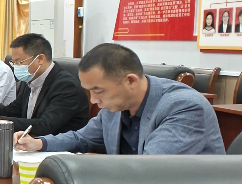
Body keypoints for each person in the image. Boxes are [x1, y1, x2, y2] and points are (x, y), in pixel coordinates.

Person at [14, 43, 224, 155]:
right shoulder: (116, 106)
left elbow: (151, 170)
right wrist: (39, 143)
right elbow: (82, 138)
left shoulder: (184, 107)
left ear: (130, 81)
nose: (94, 100)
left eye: (99, 91)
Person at [0, 33, 89, 135]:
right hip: (28, 142)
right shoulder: (30, 79)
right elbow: (13, 110)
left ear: (40, 59)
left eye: (19, 62)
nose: (16, 67)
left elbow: (46, 125)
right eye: (14, 63)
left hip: (59, 151)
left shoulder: (66, 86)